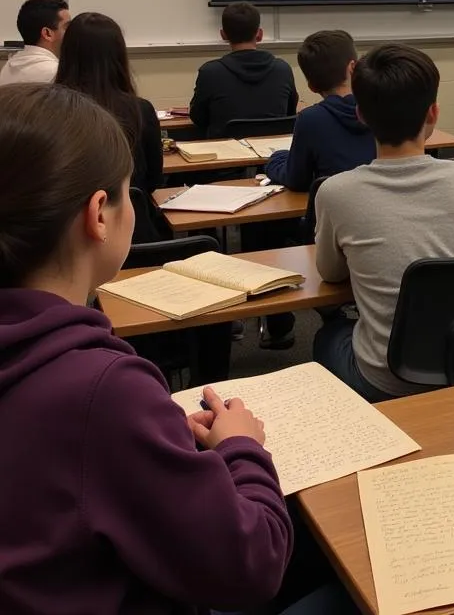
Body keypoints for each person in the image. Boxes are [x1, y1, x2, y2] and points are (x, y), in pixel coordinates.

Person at [0, 82, 293, 614]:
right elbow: (255, 563)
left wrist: (147, 442)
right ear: (99, 214)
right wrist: (241, 448)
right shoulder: (103, 390)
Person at [313, 43, 454, 401]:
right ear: (434, 113)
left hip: (386, 380)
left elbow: (330, 274)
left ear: (360, 114)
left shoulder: (336, 191)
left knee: (326, 337)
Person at [55, 12, 163, 195]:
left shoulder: (50, 109)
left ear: (66, 52)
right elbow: (154, 179)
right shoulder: (139, 109)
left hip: (68, 221)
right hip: (132, 216)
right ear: (119, 54)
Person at [265, 29, 375, 191]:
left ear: (311, 87)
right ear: (353, 67)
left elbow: (297, 180)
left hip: (334, 212)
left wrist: (275, 160)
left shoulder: (311, 119)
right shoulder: (381, 108)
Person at [189, 1, 298, 139]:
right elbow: (290, 113)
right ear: (259, 34)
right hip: (274, 153)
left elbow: (198, 118)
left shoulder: (210, 72)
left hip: (226, 153)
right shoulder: (283, 69)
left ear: (223, 35)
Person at [0, 0, 69, 85]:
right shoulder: (56, 73)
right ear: (47, 34)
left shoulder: (8, 67)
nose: (72, 32)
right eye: (67, 27)